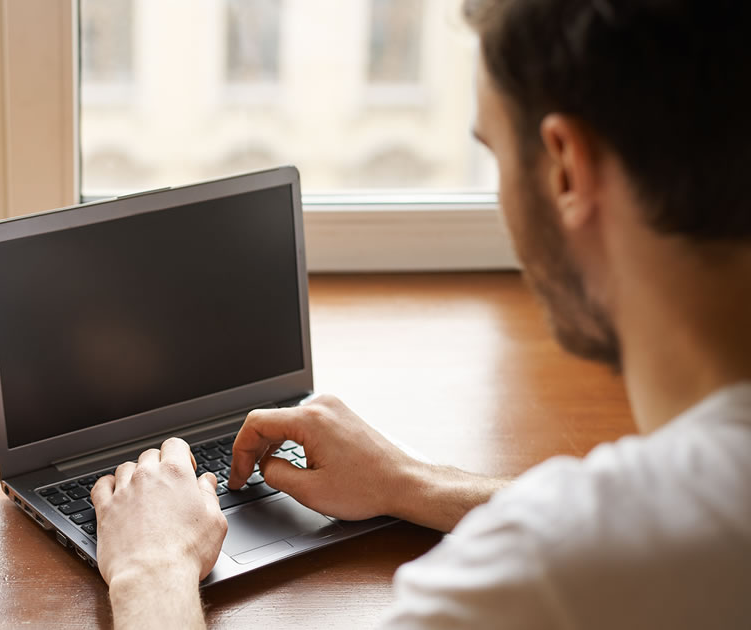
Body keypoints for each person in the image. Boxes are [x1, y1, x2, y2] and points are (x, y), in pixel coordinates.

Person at [88, 0, 751, 628]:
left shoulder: (534, 574)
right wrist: (412, 483)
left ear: (565, 169)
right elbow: (638, 526)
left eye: (493, 152)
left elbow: (589, 541)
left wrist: (152, 569)